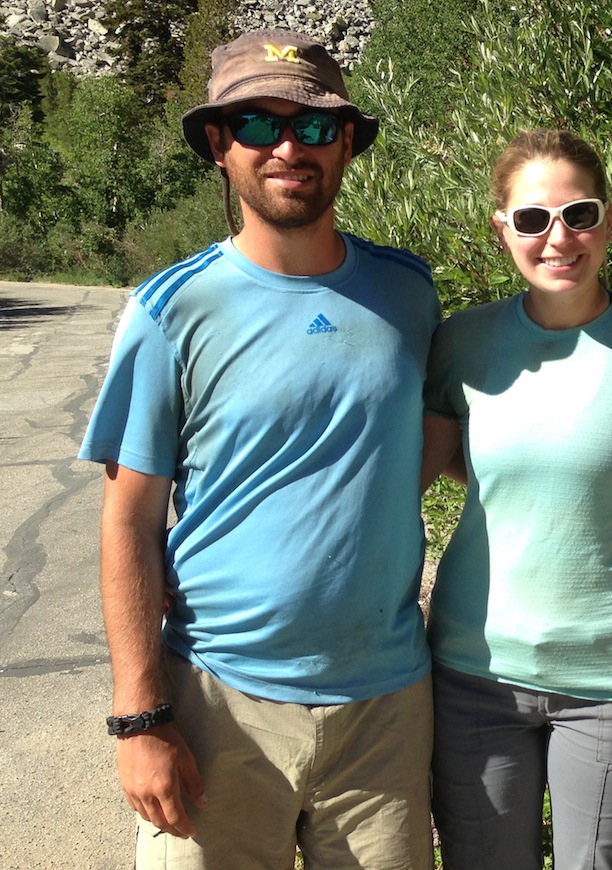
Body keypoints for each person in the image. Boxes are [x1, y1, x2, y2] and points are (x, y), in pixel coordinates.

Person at [79, 29, 440, 868]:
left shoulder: (407, 291)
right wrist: (140, 718)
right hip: (217, 702)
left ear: (346, 142)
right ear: (219, 144)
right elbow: (129, 519)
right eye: (257, 124)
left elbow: (426, 441)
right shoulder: (170, 311)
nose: (288, 148)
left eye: (314, 127)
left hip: (384, 706)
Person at [421, 129, 612, 870]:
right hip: (472, 674)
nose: (558, 238)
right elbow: (403, 486)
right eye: (532, 219)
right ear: (503, 231)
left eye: (578, 214)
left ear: (609, 219)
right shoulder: (462, 343)